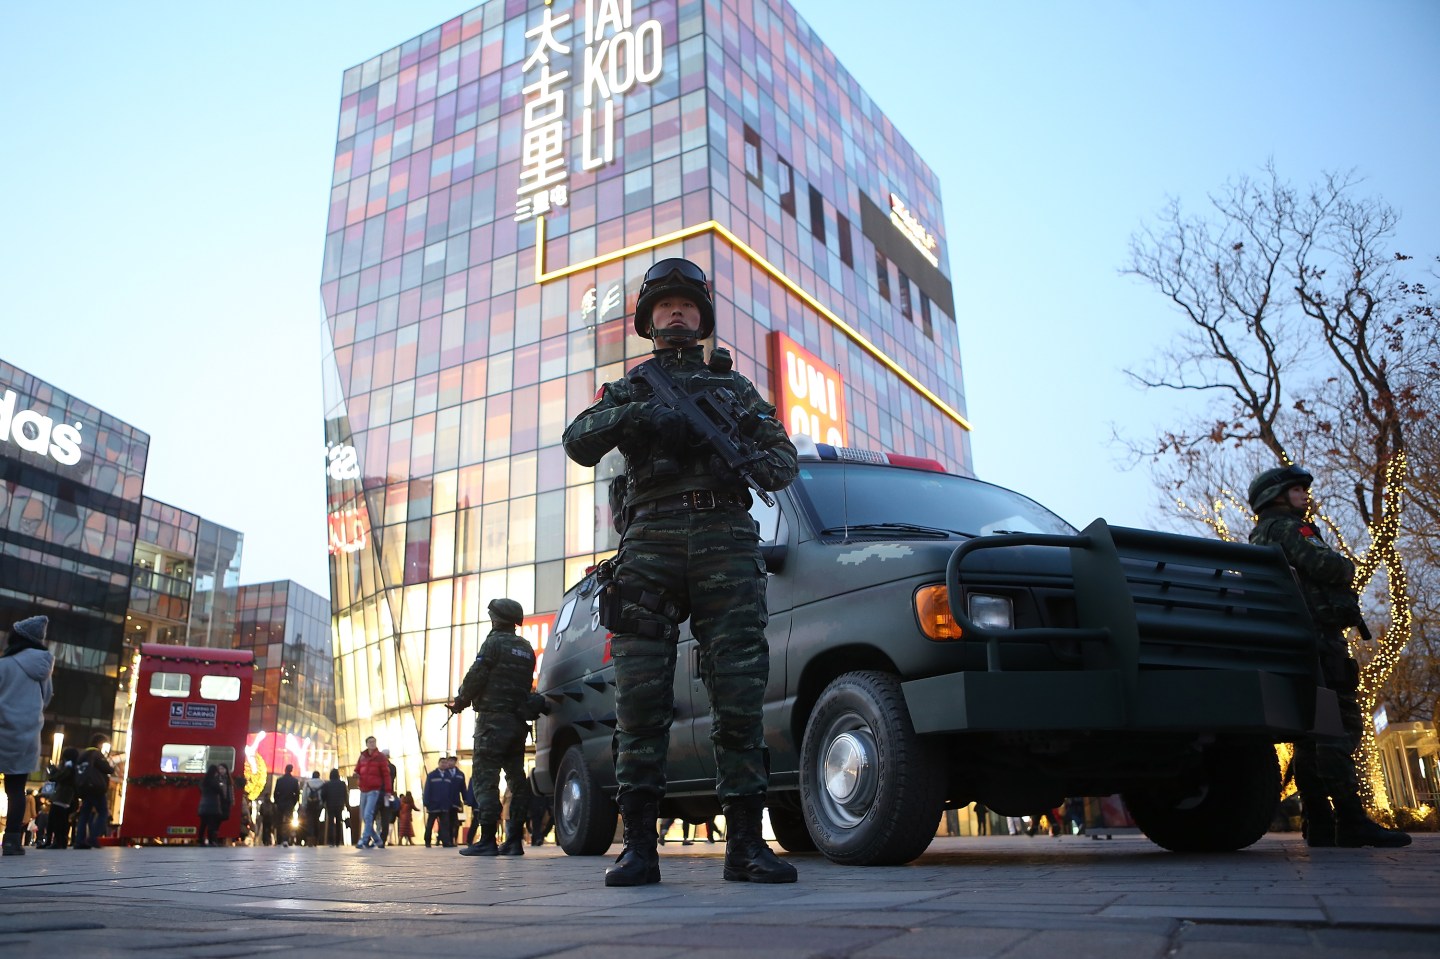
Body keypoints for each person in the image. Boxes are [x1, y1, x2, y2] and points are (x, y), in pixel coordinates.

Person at [561, 257, 799, 887]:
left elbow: (782, 462)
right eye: (665, 305)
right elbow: (578, 439)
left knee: (740, 696)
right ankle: (639, 847)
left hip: (725, 538)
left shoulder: (734, 389)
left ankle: (745, 845)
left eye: (686, 305)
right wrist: (635, 417)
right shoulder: (631, 387)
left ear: (701, 318)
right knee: (640, 701)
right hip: (651, 542)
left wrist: (739, 450)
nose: (675, 313)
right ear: (648, 319)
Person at [1248, 464, 1410, 849]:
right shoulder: (1291, 529)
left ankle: (1319, 822)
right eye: (1297, 490)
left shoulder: (1260, 534)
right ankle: (1352, 822)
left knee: (1309, 735)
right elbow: (1331, 566)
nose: (1304, 495)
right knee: (1339, 725)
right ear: (1276, 496)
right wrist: (1346, 565)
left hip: (1294, 641)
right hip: (1320, 638)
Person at [449, 598, 536, 857]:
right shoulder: (526, 648)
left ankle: (487, 839)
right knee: (517, 780)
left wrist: (461, 700)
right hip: (517, 724)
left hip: (492, 722)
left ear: (496, 619)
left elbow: (477, 674)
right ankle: (514, 841)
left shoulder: (494, 643)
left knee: (486, 780)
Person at [0, 616, 55, 856]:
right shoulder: (44, 669)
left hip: (1, 729)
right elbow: (47, 699)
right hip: (26, 735)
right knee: (16, 790)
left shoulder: (4, 664)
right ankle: (11, 841)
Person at [72, 733, 115, 849]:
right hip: (96, 787)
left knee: (84, 814)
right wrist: (110, 763)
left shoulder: (82, 754)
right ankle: (93, 837)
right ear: (99, 743)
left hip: (84, 787)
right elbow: (108, 769)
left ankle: (79, 841)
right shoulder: (96, 754)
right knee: (103, 812)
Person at [354, 735, 392, 848]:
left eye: (374, 742)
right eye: (370, 742)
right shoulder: (363, 756)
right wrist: (356, 774)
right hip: (363, 789)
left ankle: (364, 839)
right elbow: (357, 769)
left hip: (374, 790)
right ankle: (377, 839)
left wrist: (388, 790)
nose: (372, 744)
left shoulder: (380, 757)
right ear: (366, 744)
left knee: (368, 814)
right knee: (364, 816)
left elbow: (386, 775)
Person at [423, 755, 464, 848]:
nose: (444, 764)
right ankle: (427, 841)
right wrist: (426, 802)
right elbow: (427, 789)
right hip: (434, 804)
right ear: (438, 763)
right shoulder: (432, 775)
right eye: (442, 762)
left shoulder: (448, 777)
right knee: (430, 824)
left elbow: (450, 791)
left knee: (445, 824)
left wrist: (451, 802)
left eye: (445, 763)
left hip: (445, 805)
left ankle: (446, 842)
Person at [43, 746, 78, 850]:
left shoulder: (69, 766)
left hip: (62, 796)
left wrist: (54, 771)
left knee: (57, 819)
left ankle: (57, 841)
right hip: (67, 796)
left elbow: (59, 777)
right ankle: (60, 841)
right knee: (61, 819)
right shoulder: (74, 766)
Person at [197, 763, 228, 846]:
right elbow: (220, 792)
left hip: (203, 805)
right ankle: (211, 840)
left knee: (203, 824)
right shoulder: (214, 782)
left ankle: (200, 840)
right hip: (212, 806)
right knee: (211, 825)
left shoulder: (203, 782)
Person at [271, 764, 301, 847]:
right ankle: (286, 839)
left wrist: (277, 802)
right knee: (288, 822)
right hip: (289, 803)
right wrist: (294, 803)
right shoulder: (294, 781)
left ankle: (279, 839)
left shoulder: (280, 780)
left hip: (280, 802)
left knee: (279, 821)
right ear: (291, 770)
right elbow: (297, 794)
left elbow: (275, 792)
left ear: (285, 770)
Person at [321, 768, 348, 846]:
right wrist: (347, 805)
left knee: (331, 823)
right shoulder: (342, 784)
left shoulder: (327, 784)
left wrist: (323, 803)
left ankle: (331, 841)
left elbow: (323, 795)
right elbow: (345, 795)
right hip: (340, 805)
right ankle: (338, 841)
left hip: (330, 805)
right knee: (339, 822)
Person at [302, 770, 325, 846]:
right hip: (318, 805)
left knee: (310, 822)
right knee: (316, 821)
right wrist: (322, 804)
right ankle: (316, 840)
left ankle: (310, 840)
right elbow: (324, 795)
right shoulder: (322, 783)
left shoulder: (307, 783)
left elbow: (304, 795)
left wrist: (304, 805)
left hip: (309, 805)